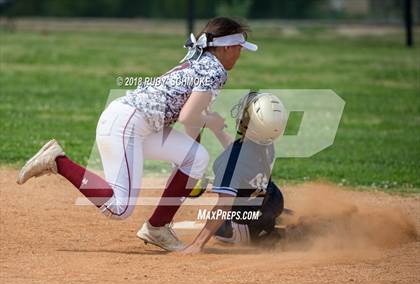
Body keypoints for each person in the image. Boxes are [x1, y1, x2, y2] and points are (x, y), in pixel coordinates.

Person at [16, 17, 258, 252]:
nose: (240, 53)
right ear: (226, 47)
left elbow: (192, 122)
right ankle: (58, 162)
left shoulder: (202, 61)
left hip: (138, 123)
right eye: (239, 47)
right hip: (127, 124)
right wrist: (211, 122)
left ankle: (157, 228)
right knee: (119, 208)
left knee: (196, 158)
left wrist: (198, 164)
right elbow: (188, 117)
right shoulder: (215, 70)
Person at [182, 92, 288, 254]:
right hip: (271, 203)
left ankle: (266, 235)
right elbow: (241, 152)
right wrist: (218, 130)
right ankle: (273, 225)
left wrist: (197, 244)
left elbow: (223, 205)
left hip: (243, 226)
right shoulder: (267, 144)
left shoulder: (230, 162)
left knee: (222, 227)